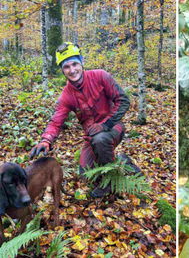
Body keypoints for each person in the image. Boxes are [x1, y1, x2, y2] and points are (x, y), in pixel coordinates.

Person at [30, 42, 131, 198]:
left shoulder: (100, 76)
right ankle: (120, 161)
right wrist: (46, 140)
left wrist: (106, 124)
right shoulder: (66, 95)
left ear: (81, 62)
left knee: (100, 139)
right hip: (90, 137)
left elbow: (123, 100)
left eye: (75, 64)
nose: (72, 70)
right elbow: (56, 121)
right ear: (62, 70)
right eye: (66, 67)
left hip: (114, 127)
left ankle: (110, 183)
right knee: (86, 175)